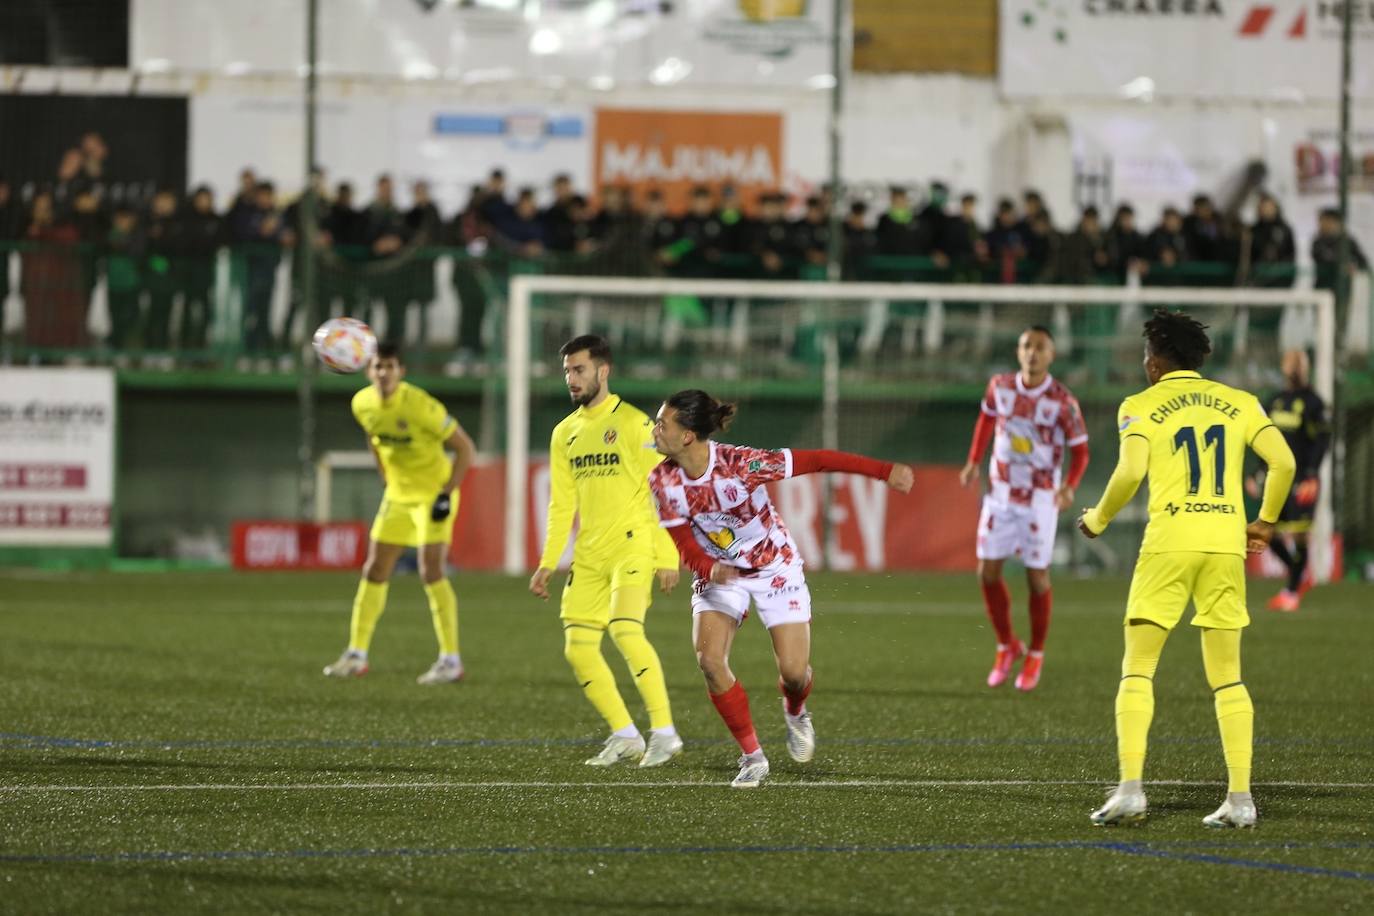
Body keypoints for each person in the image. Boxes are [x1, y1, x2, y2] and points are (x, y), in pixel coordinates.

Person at [1078, 309, 1295, 829]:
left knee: (1139, 667)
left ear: (1155, 362)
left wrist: (1099, 519)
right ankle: (1240, 799)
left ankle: (1131, 790)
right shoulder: (1239, 402)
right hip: (1225, 545)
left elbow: (1130, 471)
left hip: (1170, 543)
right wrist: (1263, 523)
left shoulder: (1141, 405)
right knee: (1227, 678)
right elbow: (1283, 462)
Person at [648, 390, 914, 788]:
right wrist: (710, 568)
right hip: (720, 571)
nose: (655, 429)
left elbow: (819, 460)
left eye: (663, 423)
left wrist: (883, 471)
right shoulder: (662, 480)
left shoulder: (741, 464)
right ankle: (752, 757)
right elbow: (684, 544)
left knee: (793, 672)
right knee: (709, 660)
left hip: (773, 565)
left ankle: (796, 711)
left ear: (688, 435)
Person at [529, 335, 684, 768]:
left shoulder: (635, 425)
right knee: (577, 647)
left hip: (632, 546)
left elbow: (667, 491)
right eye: (566, 372)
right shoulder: (565, 433)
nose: (571, 379)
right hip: (590, 555)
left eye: (578, 370)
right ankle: (625, 734)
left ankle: (664, 733)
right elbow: (562, 505)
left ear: (603, 371)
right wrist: (547, 562)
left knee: (625, 631)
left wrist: (666, 555)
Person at [323, 343, 475, 684]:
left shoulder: (421, 405)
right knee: (375, 568)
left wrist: (446, 493)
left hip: (433, 496)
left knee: (430, 571)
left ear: (401, 371)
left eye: (390, 366)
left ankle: (451, 659)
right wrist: (386, 478)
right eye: (378, 367)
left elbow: (465, 448)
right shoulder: (362, 403)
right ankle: (356, 653)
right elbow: (373, 437)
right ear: (368, 371)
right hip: (398, 496)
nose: (383, 373)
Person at [959, 326, 1089, 691]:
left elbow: (1081, 450)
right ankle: (1007, 646)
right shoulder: (999, 386)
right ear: (1018, 352)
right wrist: (973, 461)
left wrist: (1069, 487)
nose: (1032, 353)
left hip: (1039, 499)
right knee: (987, 572)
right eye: (1026, 346)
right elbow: (986, 419)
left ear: (1052, 355)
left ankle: (1035, 653)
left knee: (1036, 577)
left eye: (1040, 347)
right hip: (1000, 494)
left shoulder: (1064, 401)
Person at [1249, 349, 1329, 612]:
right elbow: (1264, 441)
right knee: (1266, 531)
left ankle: (1292, 592)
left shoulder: (1314, 403)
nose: (1293, 370)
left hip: (1302, 480)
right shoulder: (1274, 401)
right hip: (1276, 479)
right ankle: (1298, 574)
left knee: (1299, 534)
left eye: (1298, 366)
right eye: (1290, 365)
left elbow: (1320, 442)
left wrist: (1312, 475)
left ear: (1305, 369)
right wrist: (1255, 473)